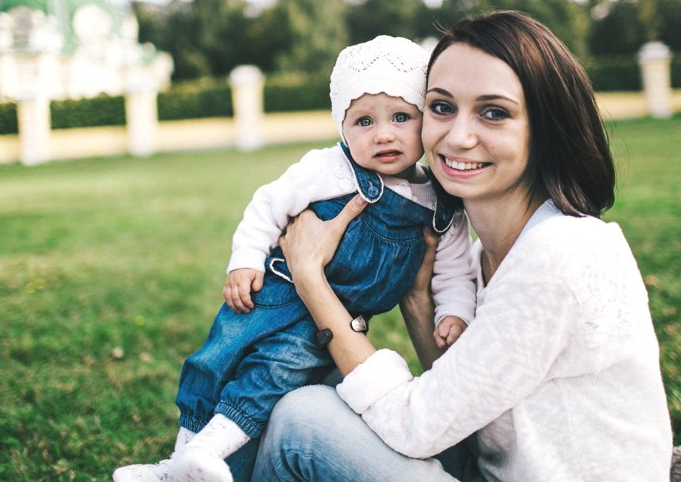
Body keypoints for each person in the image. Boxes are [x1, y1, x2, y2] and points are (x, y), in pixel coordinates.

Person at [251, 10, 674, 481]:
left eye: (494, 112)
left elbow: (418, 427)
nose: (457, 136)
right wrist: (418, 300)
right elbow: (461, 412)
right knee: (325, 384)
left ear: (545, 128)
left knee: (303, 420)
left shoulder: (560, 255)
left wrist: (309, 277)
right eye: (441, 107)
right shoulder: (485, 255)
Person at [113, 35, 476, 481]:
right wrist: (244, 259)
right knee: (212, 364)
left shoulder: (440, 204)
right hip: (279, 292)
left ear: (424, 119)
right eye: (363, 121)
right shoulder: (331, 169)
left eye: (401, 117)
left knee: (274, 374)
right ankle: (179, 463)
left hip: (333, 316)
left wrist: (455, 311)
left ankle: (203, 456)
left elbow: (454, 269)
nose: (383, 133)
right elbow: (268, 204)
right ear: (341, 127)